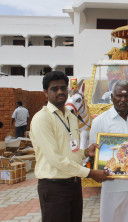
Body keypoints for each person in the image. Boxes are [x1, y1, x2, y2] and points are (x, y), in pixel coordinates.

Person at [30, 71, 109, 222]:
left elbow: (70, 151)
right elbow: (56, 159)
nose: (60, 92)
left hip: (73, 184)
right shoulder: (41, 119)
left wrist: (85, 152)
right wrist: (90, 173)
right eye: (54, 88)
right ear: (46, 92)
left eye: (63, 88)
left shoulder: (71, 117)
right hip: (54, 187)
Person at [90, 80, 128, 222]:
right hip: (113, 184)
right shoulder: (100, 121)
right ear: (111, 97)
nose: (123, 100)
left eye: (127, 96)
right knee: (112, 217)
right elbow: (93, 155)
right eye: (119, 96)